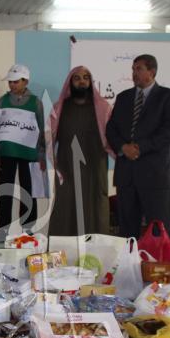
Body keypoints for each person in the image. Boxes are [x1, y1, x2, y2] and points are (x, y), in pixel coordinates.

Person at [105, 54, 170, 238]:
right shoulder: (123, 98)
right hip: (126, 176)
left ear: (152, 72)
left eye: (138, 69)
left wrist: (139, 148)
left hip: (155, 176)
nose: (134, 73)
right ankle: (129, 258)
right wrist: (123, 148)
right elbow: (111, 129)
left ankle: (158, 259)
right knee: (127, 232)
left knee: (159, 231)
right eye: (133, 69)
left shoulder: (168, 97)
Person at [48, 66, 114, 235]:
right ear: (70, 82)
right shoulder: (59, 108)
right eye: (77, 78)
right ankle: (63, 248)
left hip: (95, 166)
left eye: (85, 78)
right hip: (67, 166)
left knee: (95, 206)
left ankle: (96, 248)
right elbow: (49, 137)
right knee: (65, 206)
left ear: (90, 82)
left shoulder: (103, 108)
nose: (82, 81)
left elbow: (113, 138)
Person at [0, 63, 45, 232]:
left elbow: (42, 130)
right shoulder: (2, 101)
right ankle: (3, 228)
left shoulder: (36, 102)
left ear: (25, 81)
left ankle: (28, 228)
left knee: (29, 191)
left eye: (16, 81)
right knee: (5, 190)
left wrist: (41, 155)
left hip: (30, 154)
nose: (12, 85)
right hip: (7, 152)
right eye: (10, 82)